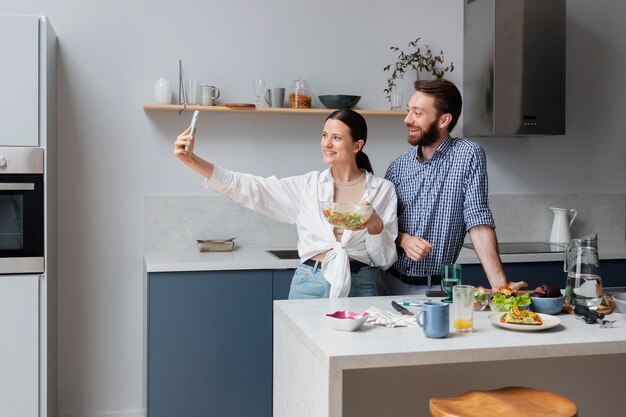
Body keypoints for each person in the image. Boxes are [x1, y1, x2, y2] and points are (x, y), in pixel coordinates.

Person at [174, 109, 398, 299]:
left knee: (355, 351)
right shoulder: (308, 186)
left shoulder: (382, 190)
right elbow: (252, 188)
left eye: (336, 138)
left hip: (359, 284)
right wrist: (192, 160)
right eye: (324, 135)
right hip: (309, 283)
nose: (327, 144)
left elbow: (385, 260)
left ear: (357, 145)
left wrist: (375, 226)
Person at [375, 78, 526, 296]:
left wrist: (500, 285)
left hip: (437, 288)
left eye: (417, 113)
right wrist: (404, 240)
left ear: (444, 120)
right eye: (409, 111)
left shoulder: (468, 155)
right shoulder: (398, 166)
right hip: (388, 283)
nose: (407, 120)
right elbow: (381, 226)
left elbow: (477, 218)